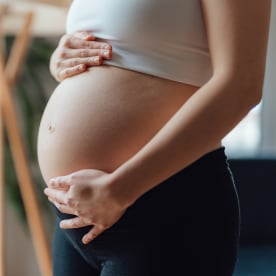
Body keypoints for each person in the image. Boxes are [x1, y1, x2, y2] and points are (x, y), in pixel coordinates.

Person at [38, 0, 271, 275]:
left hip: (164, 209)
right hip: (77, 214)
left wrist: (121, 189)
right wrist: (63, 59)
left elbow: (241, 86)